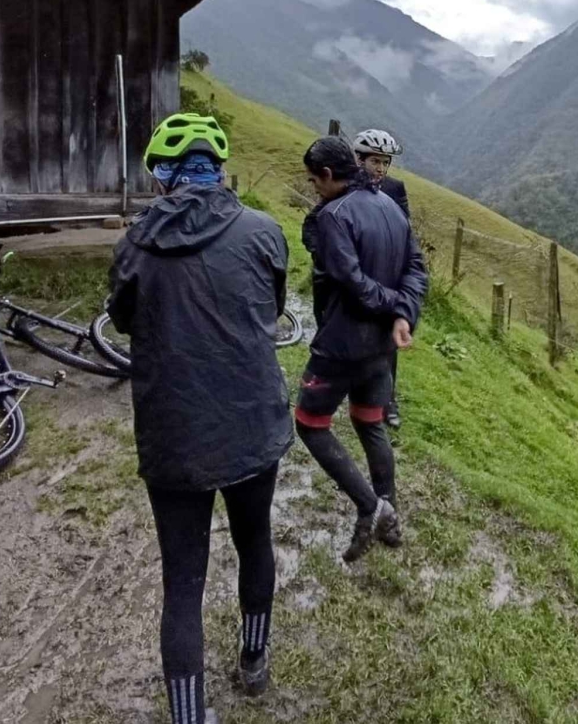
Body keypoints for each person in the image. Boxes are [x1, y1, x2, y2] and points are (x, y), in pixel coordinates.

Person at [108, 112, 292, 724]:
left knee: (182, 583)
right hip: (251, 424)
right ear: (219, 170)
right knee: (255, 541)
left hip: (173, 432)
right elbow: (270, 308)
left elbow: (128, 320)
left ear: (161, 175)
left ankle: (189, 717)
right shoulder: (264, 231)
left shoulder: (133, 243)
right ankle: (254, 661)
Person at [296, 135, 429, 562]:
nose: (314, 188)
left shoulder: (334, 216)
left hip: (341, 343)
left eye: (315, 181)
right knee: (370, 422)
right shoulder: (391, 206)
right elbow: (415, 268)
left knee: (310, 423)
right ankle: (389, 511)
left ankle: (370, 507)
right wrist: (403, 314)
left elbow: (353, 285)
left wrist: (393, 306)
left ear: (330, 175)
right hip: (380, 349)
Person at [353, 128, 409, 429]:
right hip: (352, 277)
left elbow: (405, 233)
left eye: (385, 162)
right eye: (375, 161)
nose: (380, 168)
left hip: (385, 279)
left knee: (388, 341)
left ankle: (388, 399)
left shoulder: (395, 188)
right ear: (359, 159)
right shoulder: (346, 187)